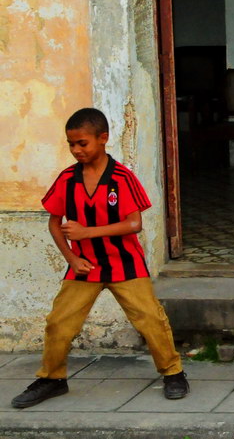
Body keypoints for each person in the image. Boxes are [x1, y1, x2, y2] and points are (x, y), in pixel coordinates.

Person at [11, 108, 189, 409]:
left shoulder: (122, 177)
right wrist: (71, 257)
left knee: (150, 319)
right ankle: (52, 379)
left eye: (82, 143)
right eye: (71, 144)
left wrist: (87, 232)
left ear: (103, 139)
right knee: (59, 322)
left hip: (125, 264)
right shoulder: (67, 179)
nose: (76, 150)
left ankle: (173, 373)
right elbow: (55, 222)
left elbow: (134, 223)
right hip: (83, 265)